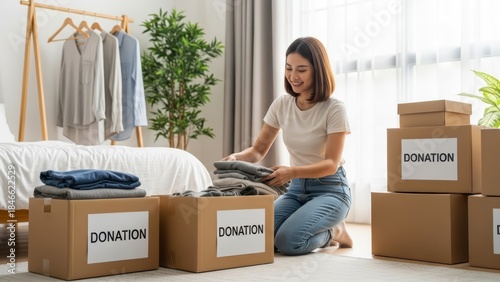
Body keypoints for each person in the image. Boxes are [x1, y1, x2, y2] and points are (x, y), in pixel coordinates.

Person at [222, 37, 352, 256]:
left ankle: (333, 231)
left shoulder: (334, 109)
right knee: (259, 236)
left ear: (318, 70)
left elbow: (330, 164)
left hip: (330, 189)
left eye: (301, 69)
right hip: (296, 189)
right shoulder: (282, 104)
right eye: (288, 68)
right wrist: (236, 158)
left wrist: (291, 171)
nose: (293, 76)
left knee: (288, 242)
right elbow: (257, 151)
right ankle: (318, 223)